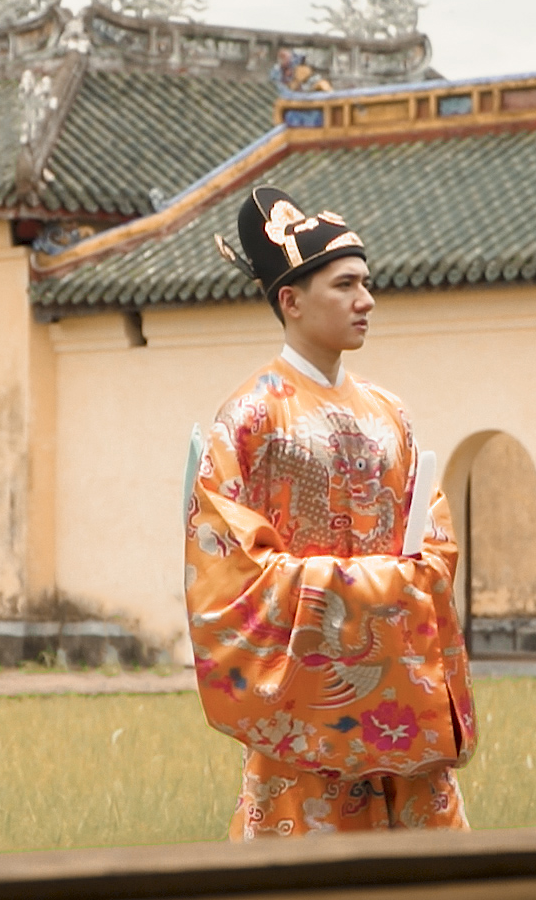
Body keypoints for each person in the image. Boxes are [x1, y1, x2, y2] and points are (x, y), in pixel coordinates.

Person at [186, 185, 475, 840]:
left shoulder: (390, 414)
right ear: (290, 299)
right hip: (308, 705)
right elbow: (226, 573)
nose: (366, 301)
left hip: (399, 702)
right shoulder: (251, 415)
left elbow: (434, 542)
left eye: (366, 284)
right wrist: (372, 590)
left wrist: (407, 579)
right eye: (345, 285)